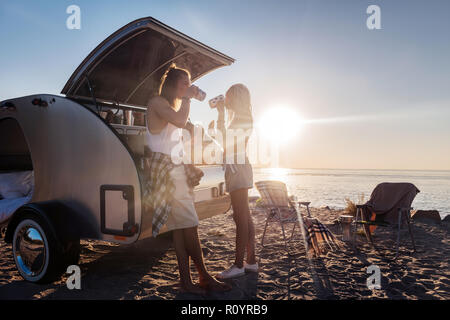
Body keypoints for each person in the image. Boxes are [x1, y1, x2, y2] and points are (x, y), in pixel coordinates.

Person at [145, 66, 231, 294]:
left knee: (181, 229)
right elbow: (181, 122)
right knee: (190, 225)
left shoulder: (171, 106)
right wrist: (189, 98)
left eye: (190, 83)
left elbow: (183, 132)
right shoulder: (157, 103)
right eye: (185, 83)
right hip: (168, 173)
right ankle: (204, 276)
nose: (189, 86)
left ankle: (187, 281)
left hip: (174, 170)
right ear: (173, 84)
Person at [215, 84, 258, 279]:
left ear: (236, 98)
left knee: (240, 217)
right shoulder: (243, 117)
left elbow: (225, 141)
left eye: (228, 96)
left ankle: (238, 264)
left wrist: (221, 113)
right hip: (239, 167)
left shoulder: (241, 118)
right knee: (245, 216)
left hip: (237, 168)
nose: (226, 99)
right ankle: (251, 261)